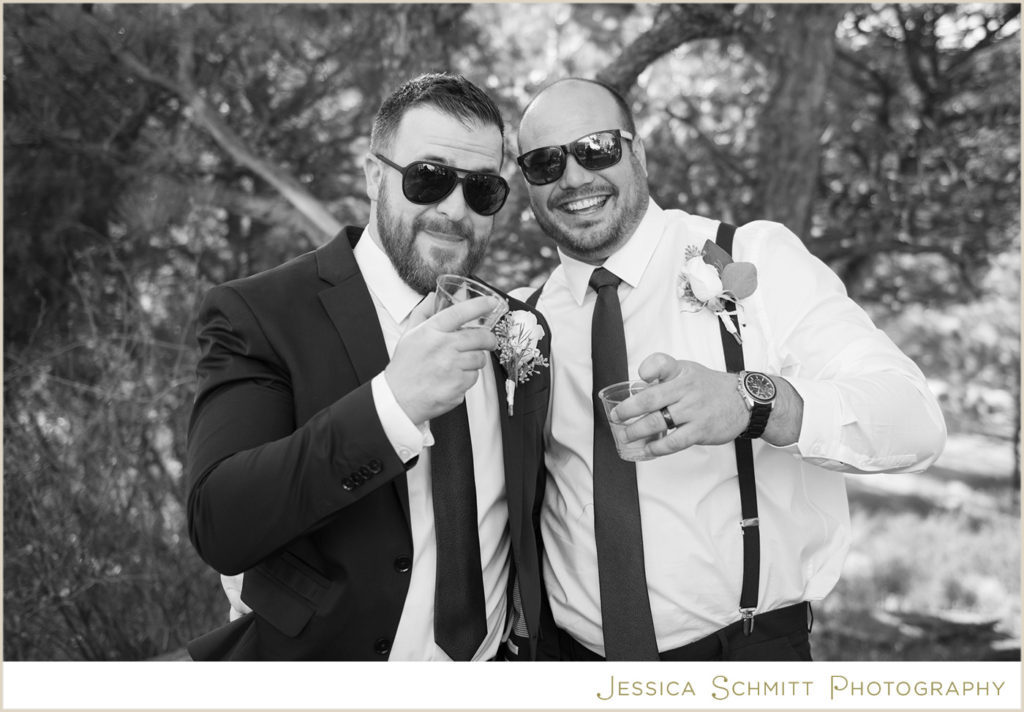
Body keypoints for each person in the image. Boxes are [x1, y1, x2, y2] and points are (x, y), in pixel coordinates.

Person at [513, 77, 946, 661]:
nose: (571, 178)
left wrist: (753, 402)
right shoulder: (527, 321)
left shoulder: (752, 257)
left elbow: (915, 420)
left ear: (638, 153)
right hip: (570, 666)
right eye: (544, 162)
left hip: (744, 660)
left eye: (596, 149)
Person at [185, 72, 551, 661]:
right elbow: (220, 523)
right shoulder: (260, 312)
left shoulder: (519, 328)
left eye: (482, 189)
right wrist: (392, 406)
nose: (454, 209)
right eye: (428, 177)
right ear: (375, 176)